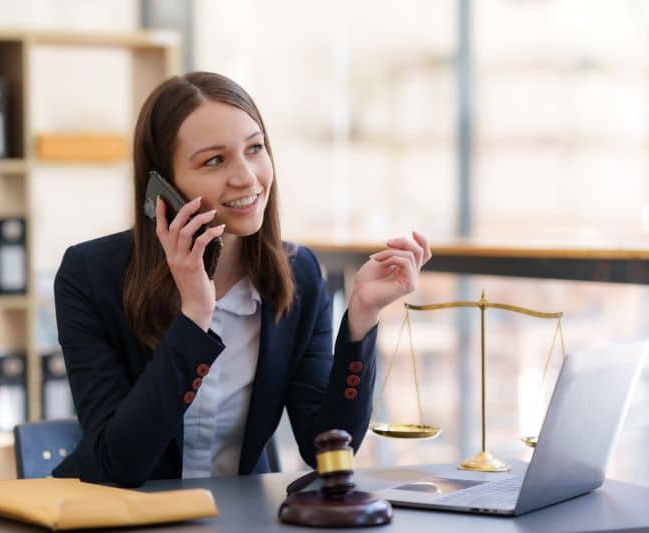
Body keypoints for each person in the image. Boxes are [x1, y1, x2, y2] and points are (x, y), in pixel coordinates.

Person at [52, 71, 431, 487]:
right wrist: (195, 317)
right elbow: (118, 467)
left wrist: (362, 316)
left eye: (255, 149)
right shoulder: (89, 276)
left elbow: (324, 446)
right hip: (117, 517)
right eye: (214, 160)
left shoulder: (298, 274)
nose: (247, 178)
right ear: (162, 186)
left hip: (238, 520)